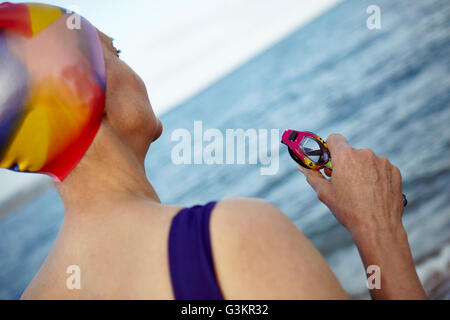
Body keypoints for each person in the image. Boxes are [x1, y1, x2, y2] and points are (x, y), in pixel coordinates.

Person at [1, 3, 427, 300]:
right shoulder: (230, 241)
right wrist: (378, 230)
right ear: (79, 85)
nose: (132, 68)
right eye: (115, 52)